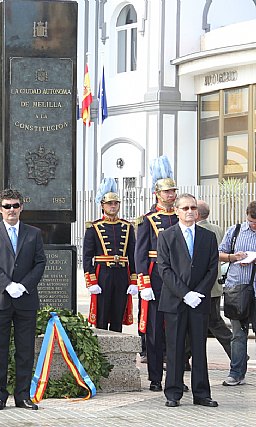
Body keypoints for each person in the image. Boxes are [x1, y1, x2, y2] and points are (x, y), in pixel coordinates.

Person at [0, 189, 46, 411]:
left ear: (21, 208)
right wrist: (7, 285)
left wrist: (24, 286)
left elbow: (40, 263)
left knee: (25, 349)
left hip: (25, 300)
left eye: (15, 206)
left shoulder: (33, 233)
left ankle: (23, 395)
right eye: (7, 206)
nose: (11, 210)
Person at [157, 193, 219, 408]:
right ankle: (173, 393)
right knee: (174, 349)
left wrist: (198, 293)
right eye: (185, 208)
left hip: (199, 301)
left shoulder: (207, 236)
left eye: (193, 207)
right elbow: (164, 269)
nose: (190, 211)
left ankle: (201, 393)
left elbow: (213, 268)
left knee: (199, 348)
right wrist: (185, 294)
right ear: (176, 211)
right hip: (175, 301)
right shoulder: (166, 236)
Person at [135, 156, 179, 392]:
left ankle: (176, 377)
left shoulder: (182, 217)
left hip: (177, 278)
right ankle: (154, 377)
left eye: (173, 191)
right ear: (157, 193)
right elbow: (140, 254)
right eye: (167, 192)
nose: (171, 195)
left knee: (176, 329)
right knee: (154, 330)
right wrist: (144, 283)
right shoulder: (147, 220)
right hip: (155, 278)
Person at [83, 178, 137, 332]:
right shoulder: (93, 228)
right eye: (109, 203)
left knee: (118, 313)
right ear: (102, 205)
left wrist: (134, 280)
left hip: (122, 273)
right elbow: (87, 257)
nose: (113, 206)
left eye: (116, 203)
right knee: (102, 314)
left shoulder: (127, 227)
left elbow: (132, 256)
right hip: (103, 273)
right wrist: (91, 281)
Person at [218, 201, 256, 387]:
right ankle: (236, 373)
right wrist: (234, 257)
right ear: (246, 215)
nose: (254, 225)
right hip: (237, 289)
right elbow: (219, 254)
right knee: (238, 334)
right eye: (251, 221)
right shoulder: (235, 231)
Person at [195, 200, 232, 358]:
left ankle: (237, 353)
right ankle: (183, 358)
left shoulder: (197, 231)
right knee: (202, 323)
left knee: (214, 322)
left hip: (202, 286)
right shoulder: (217, 229)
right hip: (216, 284)